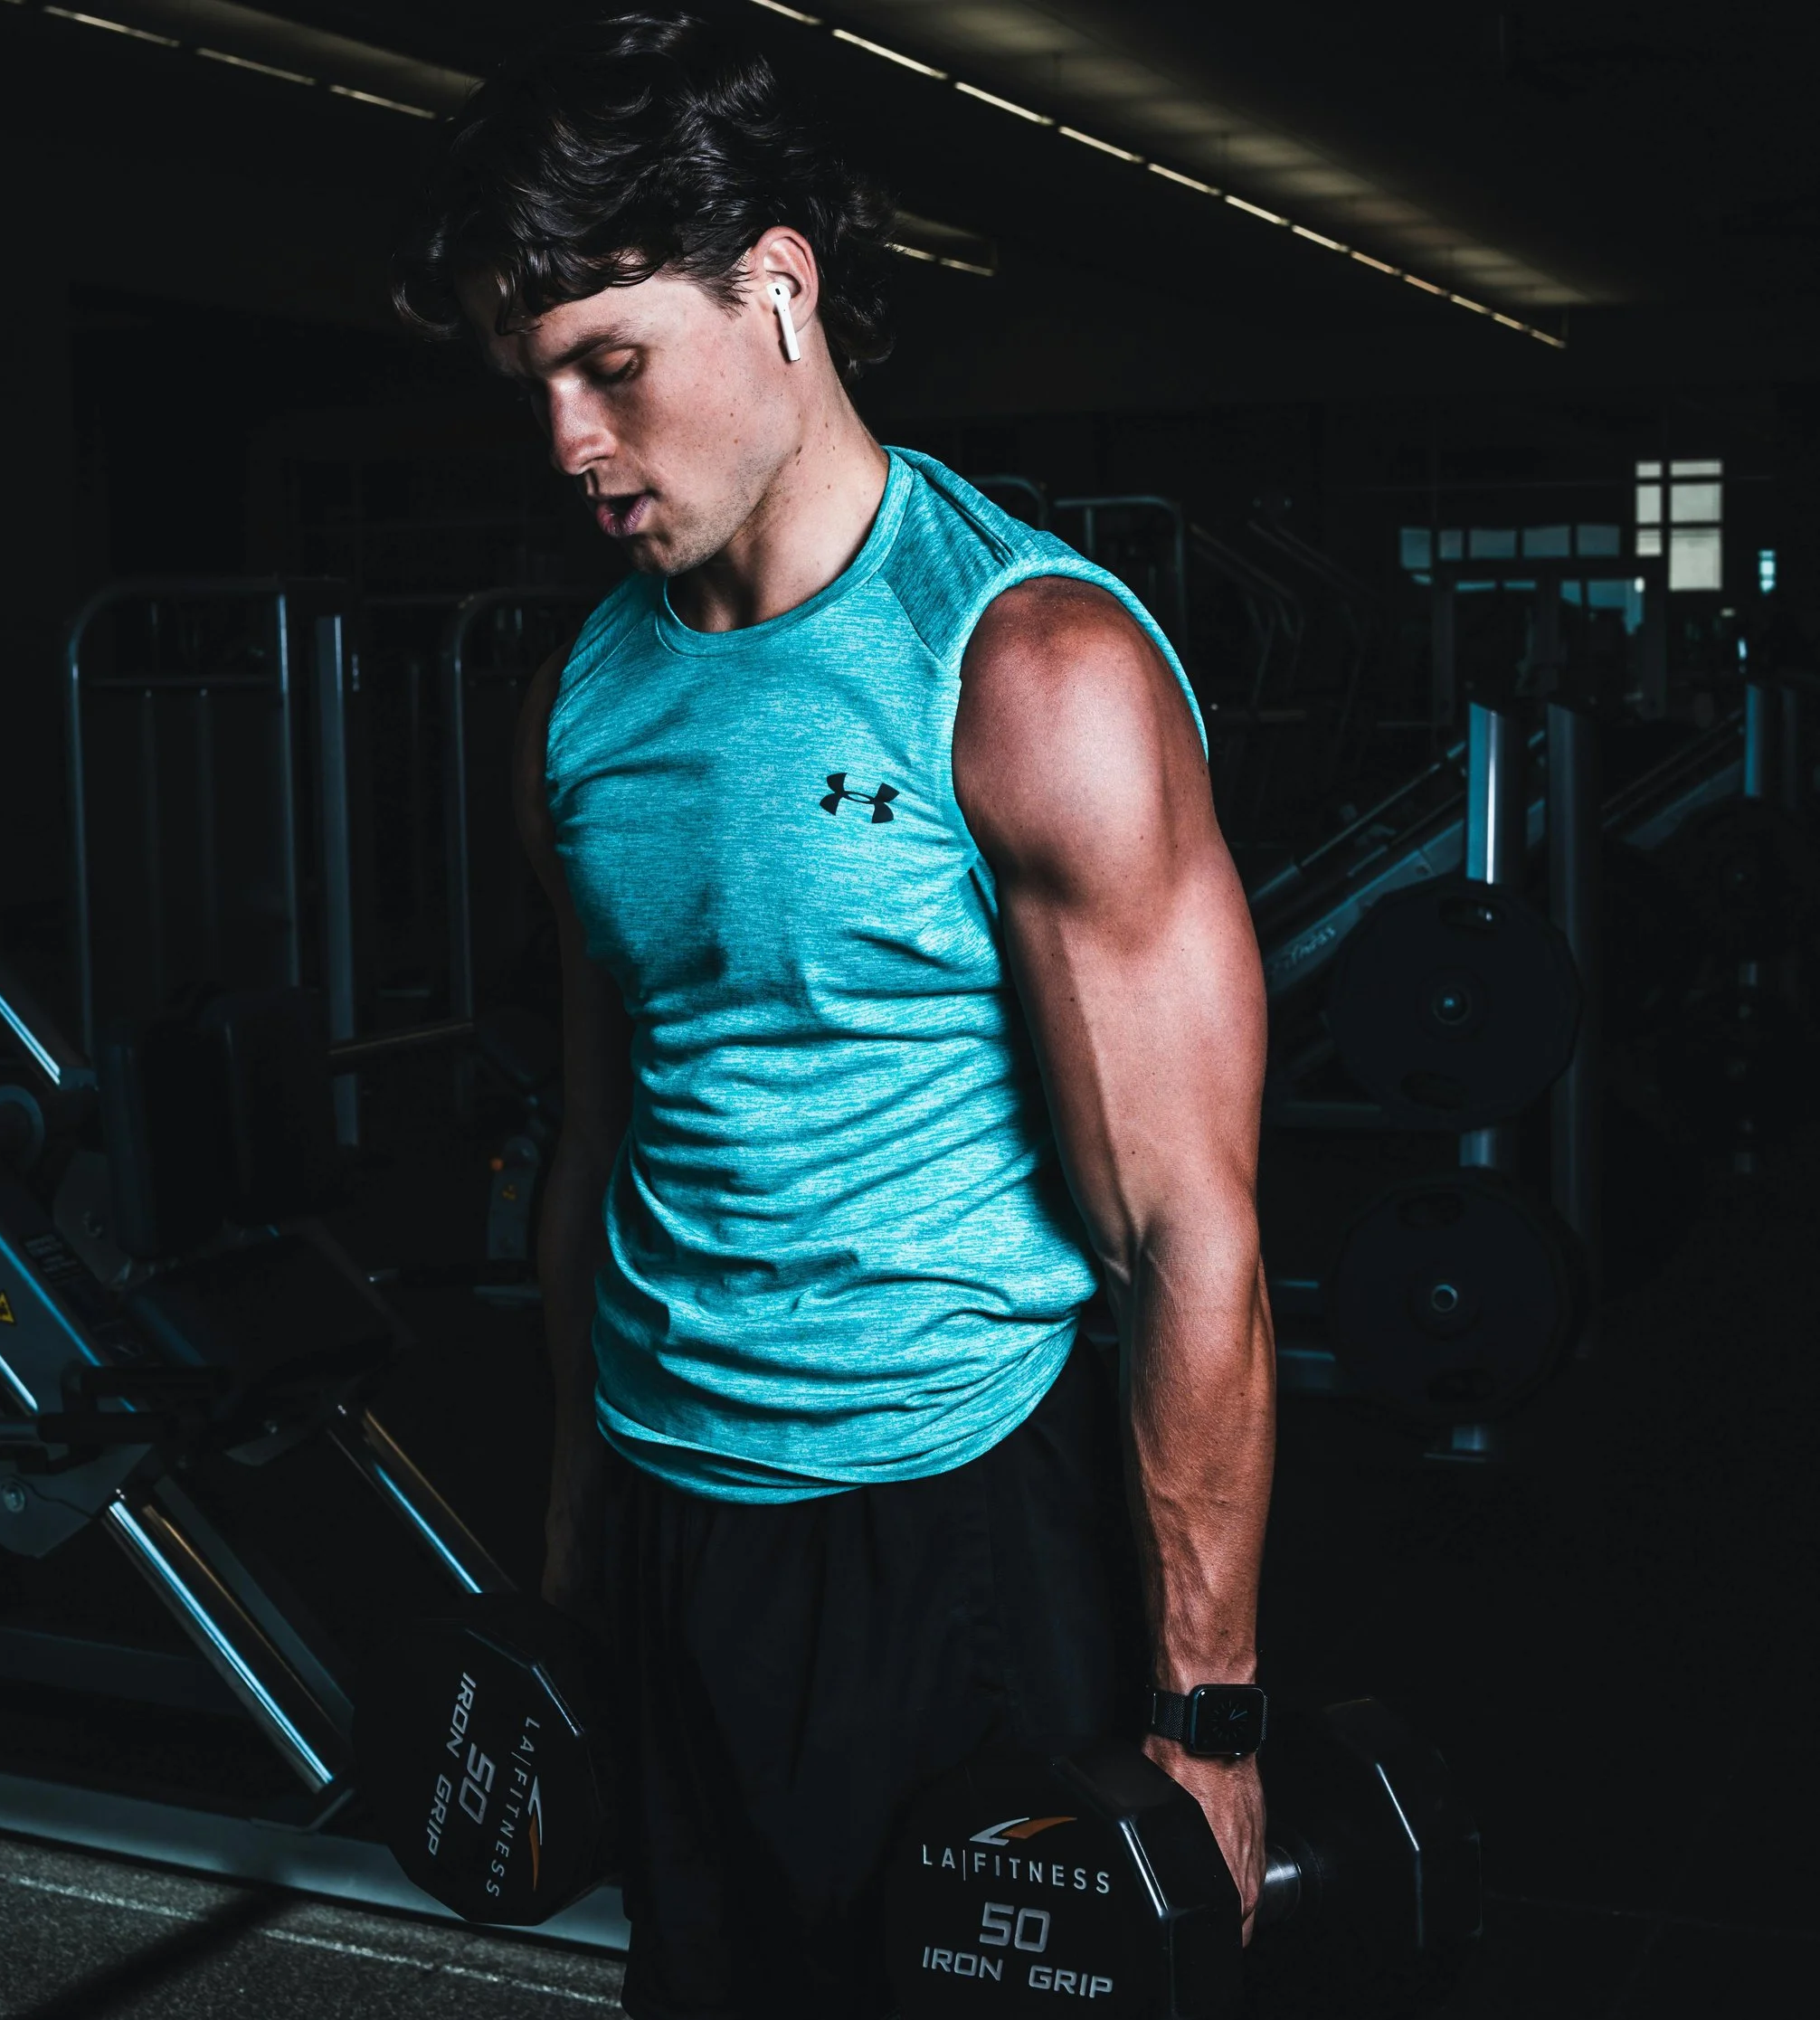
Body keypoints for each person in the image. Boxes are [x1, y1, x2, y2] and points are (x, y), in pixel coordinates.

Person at [395, 14, 1274, 2015]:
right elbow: (599, 1137)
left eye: (609, 363)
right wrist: (565, 1564)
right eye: (526, 381)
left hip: (953, 1521)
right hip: (667, 1521)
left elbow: (1184, 1233)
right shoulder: (579, 705)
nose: (566, 446)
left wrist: (1203, 1718)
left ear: (773, 287)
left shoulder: (1028, 668)